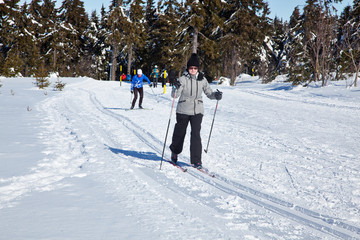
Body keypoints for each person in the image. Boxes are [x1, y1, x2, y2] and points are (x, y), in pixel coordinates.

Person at [169, 53, 223, 169]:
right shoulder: (182, 79)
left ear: (198, 69)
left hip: (197, 111)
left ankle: (196, 161)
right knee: (180, 133)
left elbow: (209, 93)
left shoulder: (202, 80)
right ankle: (175, 152)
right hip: (183, 110)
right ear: (188, 68)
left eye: (195, 68)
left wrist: (216, 95)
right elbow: (175, 95)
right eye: (191, 68)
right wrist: (175, 86)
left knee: (196, 135)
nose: (193, 70)